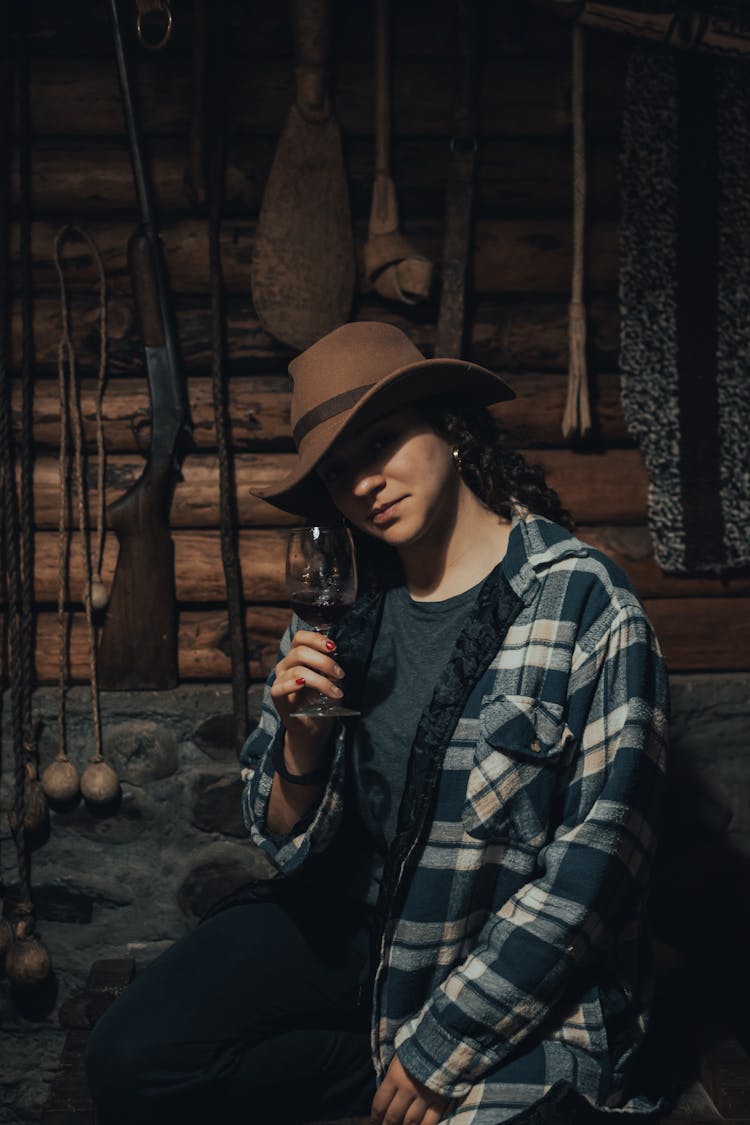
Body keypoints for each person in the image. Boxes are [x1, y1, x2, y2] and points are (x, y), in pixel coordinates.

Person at [86, 321, 669, 1125]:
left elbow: (595, 871)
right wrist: (300, 743)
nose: (363, 482)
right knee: (127, 1059)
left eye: (383, 441)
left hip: (508, 956)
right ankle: (374, 1068)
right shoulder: (338, 603)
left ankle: (424, 1073)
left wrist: (442, 1050)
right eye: (337, 471)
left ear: (452, 430)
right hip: (361, 927)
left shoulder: (582, 602)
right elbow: (283, 838)